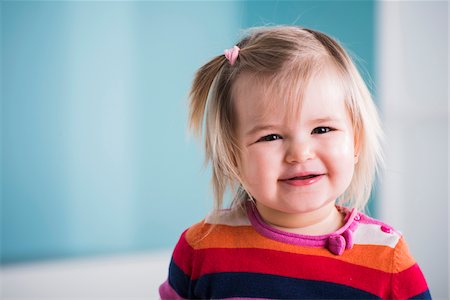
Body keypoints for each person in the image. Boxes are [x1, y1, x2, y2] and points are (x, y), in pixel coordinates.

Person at [159, 26, 430, 299]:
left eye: (322, 129)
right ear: (233, 157)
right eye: (271, 136)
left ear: (356, 141)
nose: (300, 153)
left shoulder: (387, 259)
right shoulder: (201, 251)